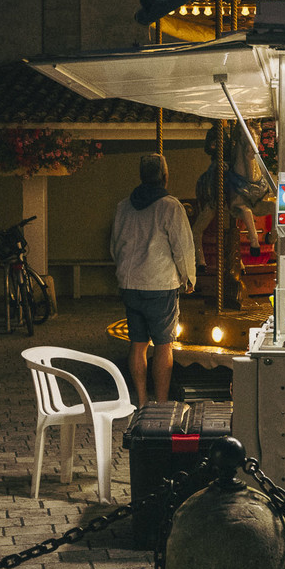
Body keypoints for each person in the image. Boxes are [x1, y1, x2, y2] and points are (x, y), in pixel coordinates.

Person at [113, 153, 196, 405]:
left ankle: (141, 400)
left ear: (141, 176)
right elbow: (182, 247)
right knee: (163, 345)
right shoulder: (170, 206)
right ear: (165, 176)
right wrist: (188, 277)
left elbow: (115, 245)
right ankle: (160, 403)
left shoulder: (124, 206)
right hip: (160, 284)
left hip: (130, 283)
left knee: (137, 344)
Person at [192, 121, 270, 266]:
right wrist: (216, 147)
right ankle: (214, 199)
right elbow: (209, 148)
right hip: (219, 162)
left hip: (232, 162)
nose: (226, 120)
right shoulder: (214, 132)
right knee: (218, 176)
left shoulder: (230, 133)